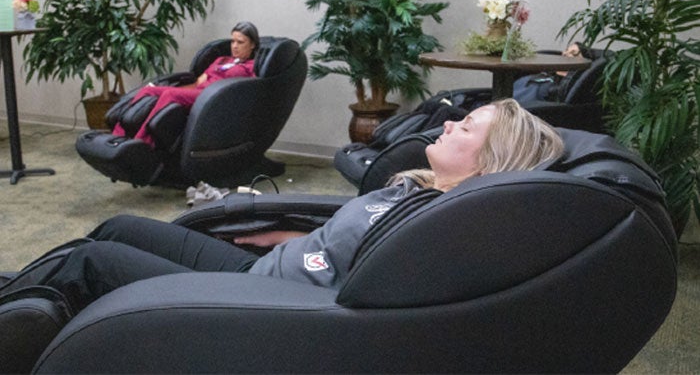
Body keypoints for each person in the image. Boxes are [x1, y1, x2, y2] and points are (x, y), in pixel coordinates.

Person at [0, 99, 564, 318]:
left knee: (91, 261)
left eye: (465, 126)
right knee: (118, 227)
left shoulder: (441, 224)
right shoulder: (416, 190)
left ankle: (27, 312)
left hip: (261, 298)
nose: (445, 123)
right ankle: (30, 300)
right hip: (262, 268)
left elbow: (347, 296)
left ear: (492, 161)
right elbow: (332, 245)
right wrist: (266, 230)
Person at [111, 21, 260, 147]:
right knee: (149, 90)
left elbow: (243, 92)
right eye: (233, 41)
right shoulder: (221, 60)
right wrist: (176, 90)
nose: (234, 46)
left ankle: (142, 140)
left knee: (169, 94)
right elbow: (199, 81)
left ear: (252, 44)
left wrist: (174, 92)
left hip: (212, 99)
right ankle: (117, 135)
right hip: (198, 92)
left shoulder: (251, 67)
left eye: (240, 42)